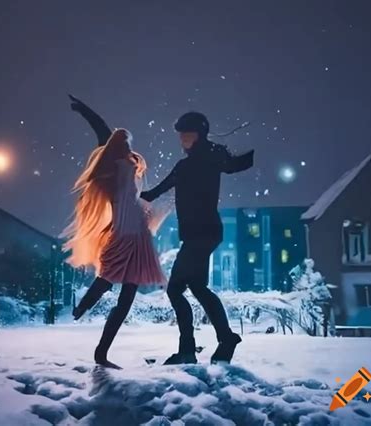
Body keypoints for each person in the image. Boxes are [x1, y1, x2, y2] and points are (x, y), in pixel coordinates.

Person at [140, 112, 254, 365]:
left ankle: (188, 350)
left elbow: (237, 164)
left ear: (199, 134)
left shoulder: (208, 158)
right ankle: (224, 339)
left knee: (175, 290)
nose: (182, 139)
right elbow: (156, 191)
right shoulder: (192, 163)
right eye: (180, 134)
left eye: (186, 133)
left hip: (200, 235)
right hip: (202, 234)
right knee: (198, 288)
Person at [62, 115, 166, 369]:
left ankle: (89, 323)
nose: (131, 148)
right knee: (118, 289)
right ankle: (88, 323)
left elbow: (105, 137)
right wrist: (89, 115)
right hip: (130, 233)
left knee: (114, 285)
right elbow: (106, 136)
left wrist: (86, 112)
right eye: (127, 143)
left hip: (131, 231)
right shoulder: (118, 166)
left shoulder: (111, 169)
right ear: (121, 146)